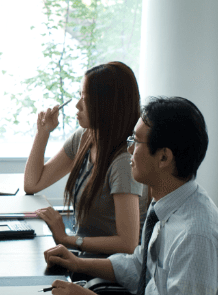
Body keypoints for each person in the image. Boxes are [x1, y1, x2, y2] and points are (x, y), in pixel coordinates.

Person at [44, 97, 218, 295]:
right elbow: (140, 265)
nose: (129, 149)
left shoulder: (196, 236)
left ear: (164, 157)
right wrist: (78, 263)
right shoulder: (167, 201)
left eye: (136, 141)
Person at [24, 62, 147, 256]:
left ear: (107, 106)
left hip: (110, 268)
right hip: (85, 258)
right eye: (80, 96)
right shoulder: (84, 137)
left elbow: (128, 244)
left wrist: (67, 239)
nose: (77, 105)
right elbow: (33, 184)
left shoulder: (124, 162)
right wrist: (43, 132)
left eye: (86, 99)